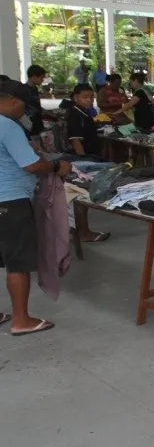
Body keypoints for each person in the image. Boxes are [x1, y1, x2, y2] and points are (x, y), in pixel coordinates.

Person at [0, 92, 71, 336]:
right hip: (10, 201)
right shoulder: (7, 126)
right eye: (24, 107)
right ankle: (21, 320)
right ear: (11, 100)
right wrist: (55, 166)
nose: (25, 114)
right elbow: (30, 164)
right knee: (17, 264)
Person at [64, 84, 110, 243]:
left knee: (83, 197)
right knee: (80, 196)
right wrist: (84, 162)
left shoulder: (85, 112)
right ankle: (83, 232)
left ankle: (83, 230)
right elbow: (76, 141)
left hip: (91, 157)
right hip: (83, 161)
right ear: (75, 98)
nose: (90, 100)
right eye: (85, 97)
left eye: (91, 97)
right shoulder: (75, 115)